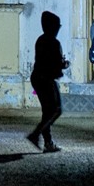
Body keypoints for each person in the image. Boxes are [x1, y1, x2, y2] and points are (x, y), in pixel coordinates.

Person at [27, 10, 69, 153]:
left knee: (48, 111)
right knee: (55, 110)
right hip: (46, 79)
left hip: (38, 77)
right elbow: (56, 65)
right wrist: (64, 65)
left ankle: (47, 142)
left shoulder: (40, 40)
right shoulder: (54, 42)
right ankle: (37, 135)